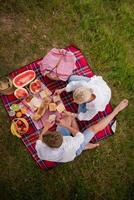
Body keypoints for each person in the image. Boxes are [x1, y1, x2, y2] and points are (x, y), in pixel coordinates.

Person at [35, 99, 128, 163]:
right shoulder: (70, 143)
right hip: (74, 150)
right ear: (63, 139)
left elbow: (39, 139)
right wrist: (66, 126)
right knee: (93, 129)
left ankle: (84, 145)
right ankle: (116, 111)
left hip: (66, 148)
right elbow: (79, 135)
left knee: (69, 117)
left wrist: (45, 128)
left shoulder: (40, 149)